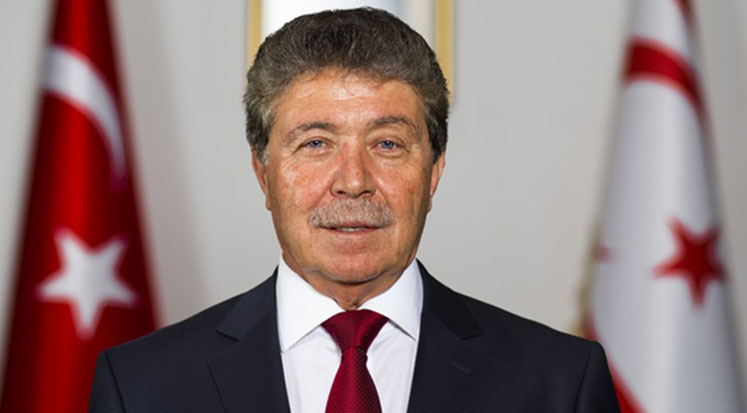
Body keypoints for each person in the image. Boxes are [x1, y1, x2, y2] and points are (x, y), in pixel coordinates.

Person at [90, 8, 619, 412]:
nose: (353, 182)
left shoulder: (558, 383)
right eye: (316, 144)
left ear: (433, 171)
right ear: (264, 173)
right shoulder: (141, 387)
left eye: (387, 144)